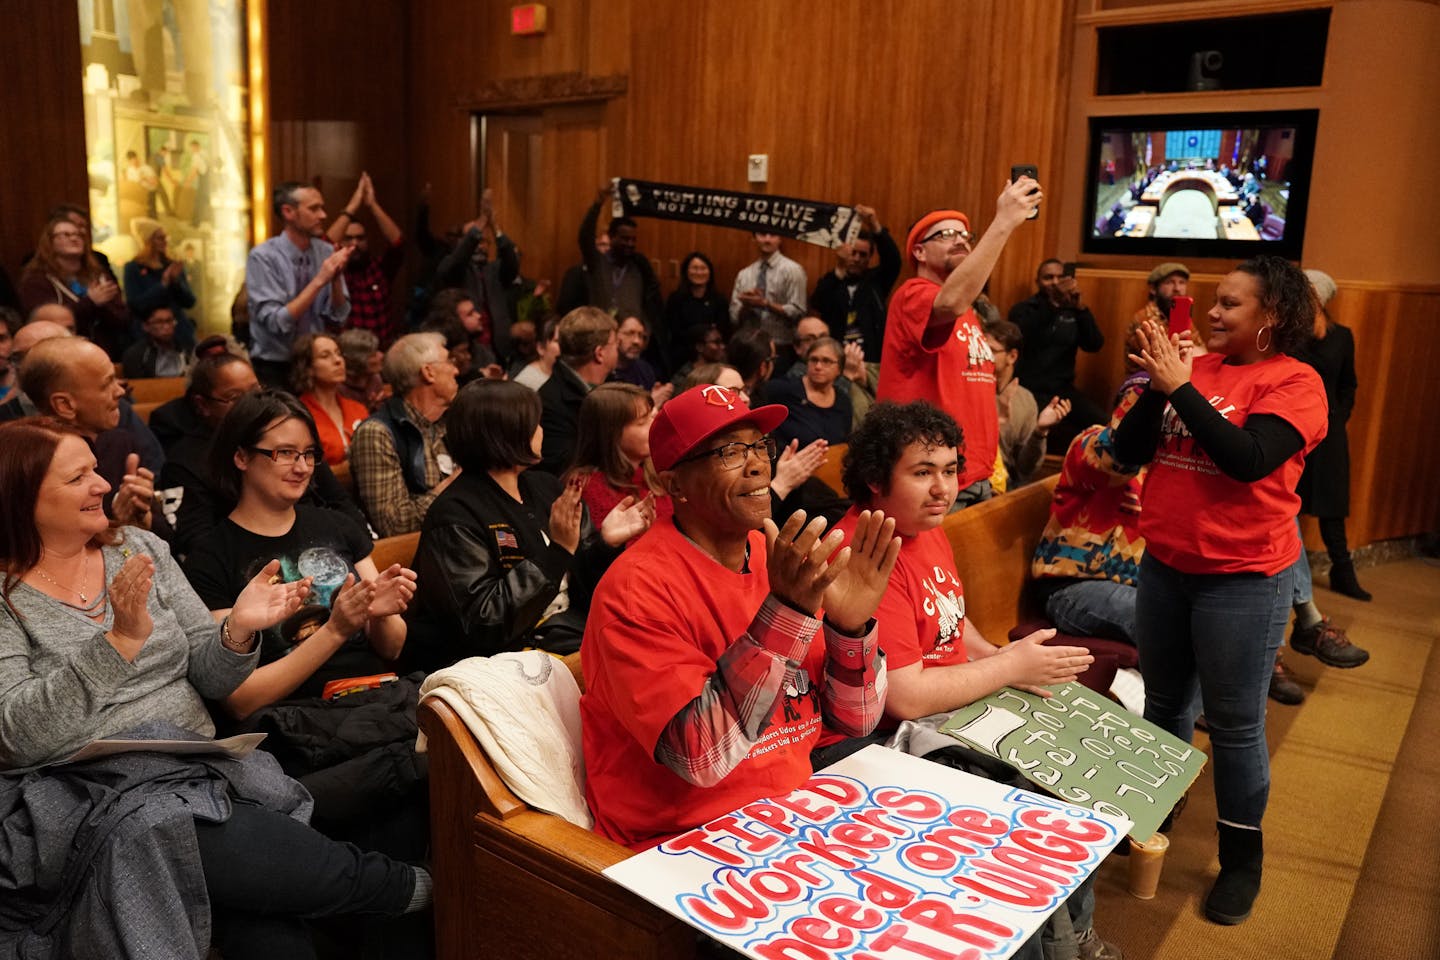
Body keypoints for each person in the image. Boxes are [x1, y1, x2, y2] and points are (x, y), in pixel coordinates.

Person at [0, 416, 430, 958]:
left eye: (96, 469)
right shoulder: (6, 597)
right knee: (170, 827)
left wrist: (237, 629)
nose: (103, 484)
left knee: (276, 946)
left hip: (201, 764)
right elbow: (19, 736)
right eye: (78, 477)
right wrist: (117, 644)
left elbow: (209, 676)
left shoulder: (139, 547)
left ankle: (406, 896)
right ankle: (409, 889)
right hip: (86, 791)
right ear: (21, 496)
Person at [825, 400, 1117, 960]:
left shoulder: (924, 528)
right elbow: (902, 695)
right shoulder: (864, 550)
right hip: (889, 735)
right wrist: (1007, 669)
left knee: (1082, 749)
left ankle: (1075, 933)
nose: (943, 488)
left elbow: (952, 624)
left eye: (951, 469)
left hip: (954, 703)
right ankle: (1054, 944)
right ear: (874, 480)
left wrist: (1003, 657)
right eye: (922, 472)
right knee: (1034, 796)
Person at [580, 384, 900, 850]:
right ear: (672, 485)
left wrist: (849, 630)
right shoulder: (635, 590)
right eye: (728, 451)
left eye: (757, 446)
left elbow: (857, 721)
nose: (756, 464)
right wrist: (787, 613)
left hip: (791, 808)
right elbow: (701, 757)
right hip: (685, 838)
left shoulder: (774, 555)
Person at [1114, 255, 1331, 924]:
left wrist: (1179, 387)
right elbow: (1128, 453)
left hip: (1241, 582)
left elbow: (1248, 461)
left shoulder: (1296, 382)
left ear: (1272, 318)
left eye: (1231, 305)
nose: (1212, 312)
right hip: (1165, 568)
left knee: (1235, 727)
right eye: (1215, 301)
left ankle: (1241, 864)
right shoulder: (1195, 369)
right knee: (1165, 702)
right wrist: (1159, 387)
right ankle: (1154, 813)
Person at [184, 392, 425, 839]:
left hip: (376, 702)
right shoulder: (212, 557)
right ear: (240, 456)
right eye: (283, 453)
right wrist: (335, 631)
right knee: (422, 767)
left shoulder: (337, 526)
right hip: (299, 732)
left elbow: (391, 648)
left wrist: (380, 613)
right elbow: (240, 698)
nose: (301, 466)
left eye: (309, 453)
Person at [404, 380, 652, 672]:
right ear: (507, 433)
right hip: (502, 663)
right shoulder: (454, 515)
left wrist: (604, 544)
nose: (541, 430)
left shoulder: (544, 486)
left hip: (567, 635)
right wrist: (558, 551)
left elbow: (585, 589)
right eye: (535, 423)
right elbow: (483, 622)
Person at [877, 180, 1042, 508]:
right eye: (945, 234)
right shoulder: (913, 295)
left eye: (964, 234)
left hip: (976, 475)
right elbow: (949, 302)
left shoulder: (969, 311)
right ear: (919, 252)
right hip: (930, 480)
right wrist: (1004, 222)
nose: (960, 239)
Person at [1296, 269, 1370, 603]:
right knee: (1287, 501)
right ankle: (1285, 574)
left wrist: (1339, 417)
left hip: (1329, 432)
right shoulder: (1288, 333)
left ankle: (1343, 571)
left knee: (1332, 504)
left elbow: (1348, 383)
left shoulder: (1342, 336)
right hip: (1292, 427)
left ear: (1322, 297)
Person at [350, 333, 462, 537]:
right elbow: (393, 524)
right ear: (429, 372)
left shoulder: (451, 421)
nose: (456, 370)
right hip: (414, 558)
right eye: (449, 361)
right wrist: (455, 487)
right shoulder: (376, 434)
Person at [246, 181, 351, 388]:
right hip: (275, 366)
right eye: (314, 209)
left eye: (322, 207)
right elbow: (277, 322)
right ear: (288, 212)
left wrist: (336, 279)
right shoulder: (263, 256)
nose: (323, 215)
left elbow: (339, 316)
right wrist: (320, 279)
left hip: (315, 364)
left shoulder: (325, 251)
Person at [1007, 259, 1107, 449]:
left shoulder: (1074, 310)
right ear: (1037, 281)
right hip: (1028, 389)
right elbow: (1025, 336)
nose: (1054, 282)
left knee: (1103, 426)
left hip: (1063, 389)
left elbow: (1094, 344)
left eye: (1060, 277)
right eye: (1048, 277)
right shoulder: (1024, 309)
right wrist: (1053, 304)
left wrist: (1081, 310)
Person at [566, 382, 673, 535]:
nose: (654, 426)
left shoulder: (655, 474)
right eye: (642, 422)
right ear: (612, 434)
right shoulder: (586, 488)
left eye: (653, 416)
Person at [19, 215, 128, 358]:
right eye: (66, 234)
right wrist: (90, 302)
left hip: (103, 352)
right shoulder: (37, 280)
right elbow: (44, 323)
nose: (74, 238)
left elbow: (123, 318)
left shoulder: (98, 275)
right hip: (58, 355)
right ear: (50, 242)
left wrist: (101, 305)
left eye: (78, 235)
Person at [431, 190, 522, 358]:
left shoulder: (494, 269)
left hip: (500, 348)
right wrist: (479, 226)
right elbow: (457, 260)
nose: (480, 245)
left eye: (484, 241)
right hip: (468, 349)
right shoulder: (453, 267)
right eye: (475, 240)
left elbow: (512, 262)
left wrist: (495, 227)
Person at [809, 205, 901, 363]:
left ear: (870, 257)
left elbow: (893, 260)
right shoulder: (832, 280)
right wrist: (840, 268)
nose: (857, 259)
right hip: (835, 360)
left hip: (870, 360)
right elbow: (817, 303)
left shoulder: (876, 281)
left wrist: (875, 225)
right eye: (853, 253)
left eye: (863, 255)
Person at [986, 318, 1070, 487]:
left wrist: (1040, 431)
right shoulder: (969, 389)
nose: (982, 355)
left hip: (1002, 488)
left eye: (991, 351)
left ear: (1012, 356)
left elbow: (1025, 469)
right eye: (980, 349)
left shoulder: (1025, 400)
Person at [537, 306, 619, 474]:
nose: (618, 349)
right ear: (600, 353)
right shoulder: (550, 403)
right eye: (616, 343)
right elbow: (561, 468)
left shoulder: (612, 386)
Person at [329, 172, 406, 348]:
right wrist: (353, 206)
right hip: (347, 355)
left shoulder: (379, 269)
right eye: (348, 238)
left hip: (380, 352)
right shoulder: (332, 272)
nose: (355, 243)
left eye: (360, 238)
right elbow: (323, 246)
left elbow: (398, 243)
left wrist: (372, 204)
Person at [578, 188, 663, 331]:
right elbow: (584, 237)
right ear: (611, 237)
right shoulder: (597, 262)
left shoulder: (639, 268)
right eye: (625, 239)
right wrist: (597, 205)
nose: (630, 244)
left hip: (630, 336)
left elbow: (651, 304)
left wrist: (645, 330)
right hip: (600, 332)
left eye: (633, 240)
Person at [291, 333, 368, 466]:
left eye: (338, 353)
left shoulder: (358, 408)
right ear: (308, 369)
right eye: (325, 356)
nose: (338, 360)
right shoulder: (299, 415)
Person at [729, 231, 807, 362]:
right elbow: (734, 317)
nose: (767, 240)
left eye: (773, 235)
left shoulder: (793, 270)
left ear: (780, 238)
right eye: (762, 234)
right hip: (749, 347)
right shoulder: (744, 274)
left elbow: (798, 311)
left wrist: (766, 304)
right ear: (754, 238)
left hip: (781, 345)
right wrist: (746, 305)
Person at [766, 335, 853, 449]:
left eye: (826, 361)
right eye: (813, 360)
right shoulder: (783, 389)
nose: (818, 366)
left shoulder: (843, 401)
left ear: (839, 369)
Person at [123, 222, 198, 352]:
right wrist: (162, 285)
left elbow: (190, 301)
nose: (165, 242)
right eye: (160, 238)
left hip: (179, 334)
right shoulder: (133, 268)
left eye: (165, 237)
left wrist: (176, 282)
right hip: (147, 337)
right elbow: (135, 304)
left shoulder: (172, 266)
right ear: (148, 240)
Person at [662, 251, 729, 371]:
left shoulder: (719, 300)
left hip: (712, 356)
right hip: (682, 356)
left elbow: (723, 329)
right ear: (686, 272)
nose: (699, 272)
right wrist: (706, 328)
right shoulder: (676, 299)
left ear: (710, 272)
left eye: (703, 268)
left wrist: (694, 329)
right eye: (694, 268)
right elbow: (674, 330)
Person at [1127, 262, 1190, 373]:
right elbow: (1165, 358)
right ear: (1153, 289)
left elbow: (1200, 349)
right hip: (1144, 381)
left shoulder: (1182, 316)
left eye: (1182, 282)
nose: (1177, 288)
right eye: (1169, 282)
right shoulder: (1145, 319)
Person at [121, 305, 191, 379]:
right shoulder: (135, 355)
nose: (166, 327)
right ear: (146, 326)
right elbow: (137, 386)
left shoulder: (186, 349)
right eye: (159, 322)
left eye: (169, 321)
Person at [336, 327, 387, 411]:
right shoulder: (338, 390)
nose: (381, 355)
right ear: (358, 361)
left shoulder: (375, 379)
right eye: (373, 355)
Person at [513, 315, 560, 391]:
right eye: (557, 341)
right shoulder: (526, 383)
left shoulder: (564, 374)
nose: (565, 345)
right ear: (541, 348)